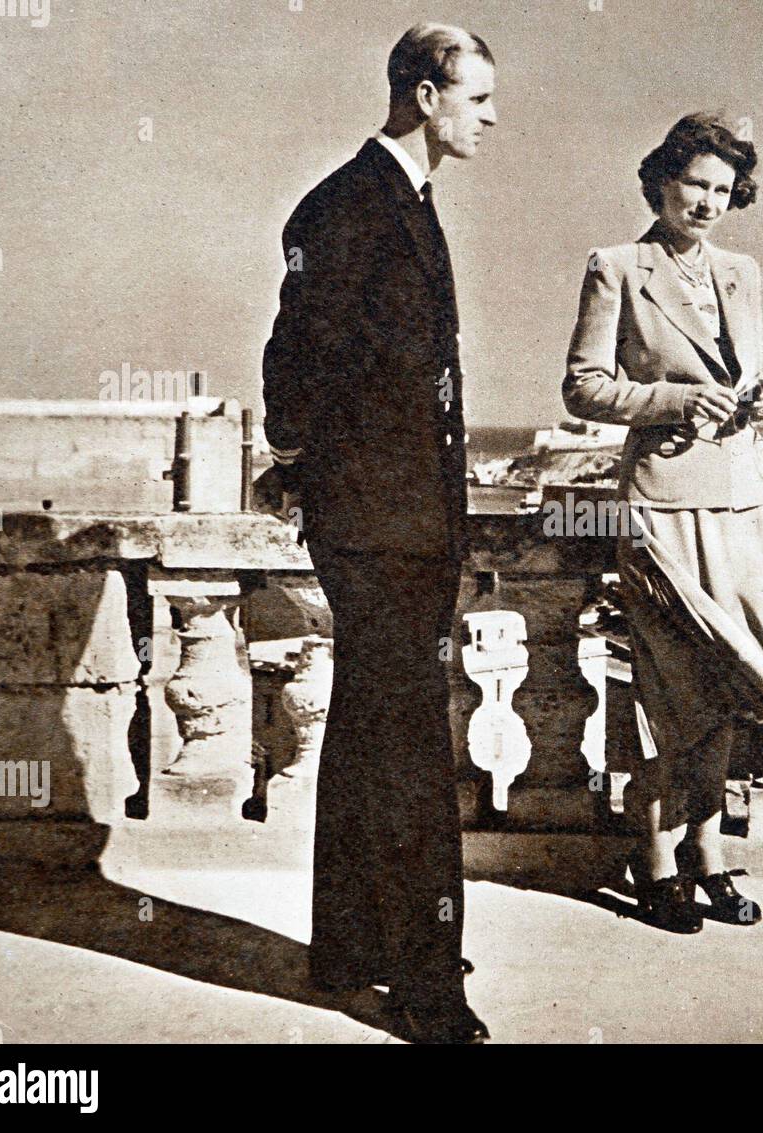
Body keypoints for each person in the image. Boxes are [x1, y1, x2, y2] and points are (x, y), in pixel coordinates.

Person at [261, 23, 496, 1043]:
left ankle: (349, 944)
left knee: (368, 724)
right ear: (424, 93)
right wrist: (311, 468)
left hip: (403, 519)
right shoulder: (348, 205)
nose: (489, 117)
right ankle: (428, 981)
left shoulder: (404, 200)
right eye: (477, 97)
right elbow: (292, 354)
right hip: (375, 526)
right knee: (408, 746)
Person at [563, 113, 763, 934]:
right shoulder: (616, 268)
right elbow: (581, 387)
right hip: (662, 504)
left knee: (732, 683)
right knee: (674, 686)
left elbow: (742, 371)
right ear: (661, 182)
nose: (710, 203)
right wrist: (675, 400)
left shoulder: (743, 273)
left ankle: (709, 857)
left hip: (739, 500)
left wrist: (761, 396)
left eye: (725, 191)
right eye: (697, 186)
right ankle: (657, 865)